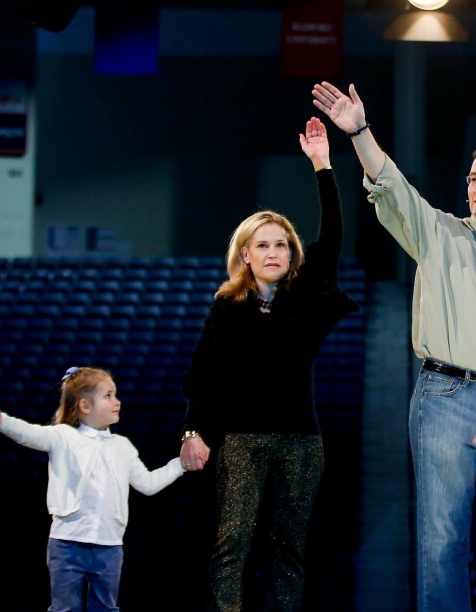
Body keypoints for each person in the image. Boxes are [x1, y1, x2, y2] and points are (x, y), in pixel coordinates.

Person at [311, 81, 476, 612]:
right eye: (473, 179)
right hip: (448, 401)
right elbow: (391, 187)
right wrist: (360, 132)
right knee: (442, 543)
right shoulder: (438, 235)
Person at [179, 116, 359, 611]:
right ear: (246, 254)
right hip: (241, 438)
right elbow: (202, 377)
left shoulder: (304, 294)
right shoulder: (226, 306)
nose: (274, 251)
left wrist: (323, 165)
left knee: (289, 548)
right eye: (263, 244)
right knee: (231, 544)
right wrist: (192, 432)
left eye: (282, 243)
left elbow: (336, 232)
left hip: (301, 439)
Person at [0, 366, 187, 611]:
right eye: (108, 396)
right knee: (64, 608)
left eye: (116, 395)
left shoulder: (122, 446)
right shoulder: (64, 437)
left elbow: (148, 484)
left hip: (109, 546)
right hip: (68, 542)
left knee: (105, 607)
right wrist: (2, 422)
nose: (117, 402)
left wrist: (180, 465)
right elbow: (30, 434)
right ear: (85, 406)